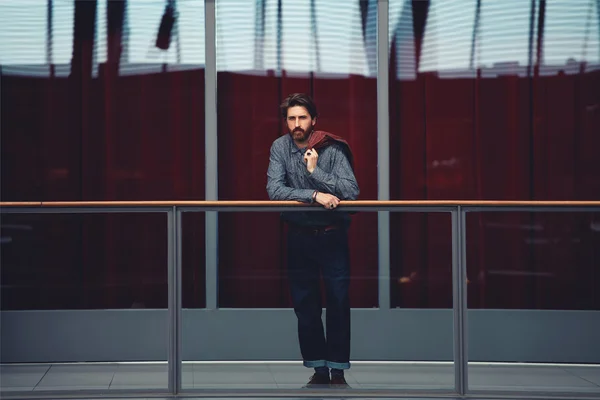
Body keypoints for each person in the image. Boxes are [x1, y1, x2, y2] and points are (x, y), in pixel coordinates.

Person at [266, 93, 359, 389]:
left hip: (332, 237)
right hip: (298, 238)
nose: (297, 124)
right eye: (291, 118)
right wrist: (314, 195)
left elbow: (351, 190)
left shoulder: (331, 148)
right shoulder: (280, 147)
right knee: (305, 306)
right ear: (286, 122)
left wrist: (314, 172)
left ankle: (338, 371)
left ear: (314, 120)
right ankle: (318, 369)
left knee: (338, 302)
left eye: (302, 117)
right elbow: (274, 190)